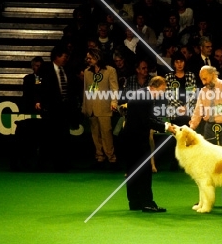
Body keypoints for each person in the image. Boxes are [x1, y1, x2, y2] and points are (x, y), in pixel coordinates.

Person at [189, 65, 222, 209]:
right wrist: (192, 127)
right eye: (201, 79)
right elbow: (198, 110)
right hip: (209, 129)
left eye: (205, 78)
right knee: (206, 167)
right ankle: (206, 199)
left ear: (213, 75)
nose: (203, 81)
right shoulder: (203, 91)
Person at [121, 76, 176, 212]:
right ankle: (147, 203)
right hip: (138, 139)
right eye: (162, 90)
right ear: (154, 87)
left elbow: (149, 117)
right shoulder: (145, 97)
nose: (163, 93)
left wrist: (165, 124)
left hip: (131, 138)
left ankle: (134, 202)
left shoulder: (142, 94)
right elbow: (148, 120)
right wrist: (166, 127)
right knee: (144, 171)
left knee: (133, 170)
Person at [35, 46, 81, 172]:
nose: (66, 59)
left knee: (64, 137)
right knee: (48, 137)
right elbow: (37, 84)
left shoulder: (68, 69)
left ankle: (63, 164)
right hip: (51, 109)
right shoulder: (45, 69)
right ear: (56, 56)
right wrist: (38, 100)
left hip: (65, 109)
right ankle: (43, 164)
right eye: (64, 56)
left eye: (67, 57)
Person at [81, 48, 119, 169]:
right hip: (91, 107)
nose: (88, 60)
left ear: (97, 58)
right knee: (95, 135)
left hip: (104, 107)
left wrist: (114, 101)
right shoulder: (87, 71)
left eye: (90, 58)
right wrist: (84, 106)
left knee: (106, 134)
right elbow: (86, 90)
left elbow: (114, 88)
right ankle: (99, 158)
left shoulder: (110, 70)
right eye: (87, 58)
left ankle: (111, 159)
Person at [164, 50, 197, 170]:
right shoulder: (168, 77)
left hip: (188, 111)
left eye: (181, 61)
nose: (179, 64)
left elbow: (193, 94)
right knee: (176, 137)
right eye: (177, 62)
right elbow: (168, 95)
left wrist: (186, 107)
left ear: (184, 62)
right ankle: (175, 162)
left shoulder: (190, 75)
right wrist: (180, 107)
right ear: (173, 63)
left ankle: (188, 163)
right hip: (174, 111)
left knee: (188, 137)